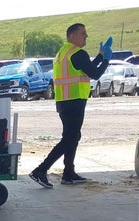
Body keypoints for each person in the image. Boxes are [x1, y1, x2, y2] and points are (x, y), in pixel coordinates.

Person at [29, 24, 111, 188]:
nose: (86, 36)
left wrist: (100, 56)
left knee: (73, 136)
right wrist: (106, 60)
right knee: (70, 138)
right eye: (83, 33)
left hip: (64, 101)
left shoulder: (63, 53)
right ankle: (41, 170)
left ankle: (68, 173)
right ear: (72, 36)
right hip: (74, 100)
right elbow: (94, 73)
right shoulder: (78, 53)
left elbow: (85, 68)